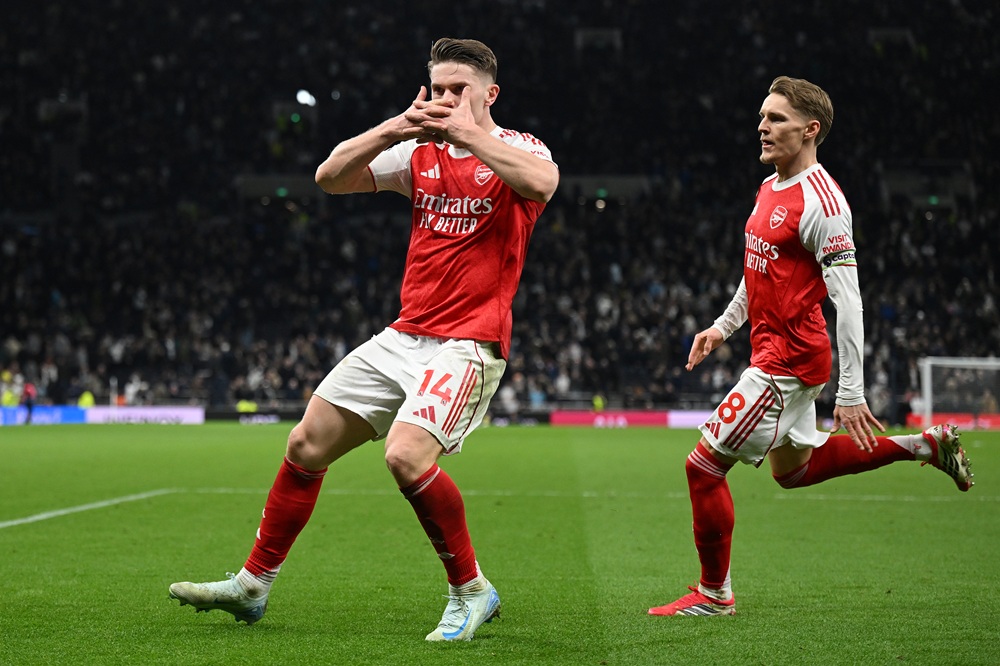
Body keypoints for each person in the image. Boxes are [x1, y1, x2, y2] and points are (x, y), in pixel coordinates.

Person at [169, 37, 559, 641]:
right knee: (306, 444)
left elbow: (542, 184)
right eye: (439, 88)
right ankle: (252, 587)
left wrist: (468, 135)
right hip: (404, 335)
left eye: (461, 89)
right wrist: (397, 126)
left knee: (404, 456)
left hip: (469, 342)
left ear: (491, 94)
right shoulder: (417, 153)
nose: (448, 99)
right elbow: (329, 177)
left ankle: (471, 590)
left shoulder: (516, 148)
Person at [647, 76, 974, 617]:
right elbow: (757, 268)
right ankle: (926, 445)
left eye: (776, 119)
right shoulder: (770, 186)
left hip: (789, 362)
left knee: (702, 466)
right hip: (769, 351)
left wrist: (852, 392)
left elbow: (850, 302)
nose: (762, 126)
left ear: (810, 129)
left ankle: (713, 595)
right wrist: (724, 326)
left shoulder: (824, 203)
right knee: (792, 472)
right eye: (762, 116)